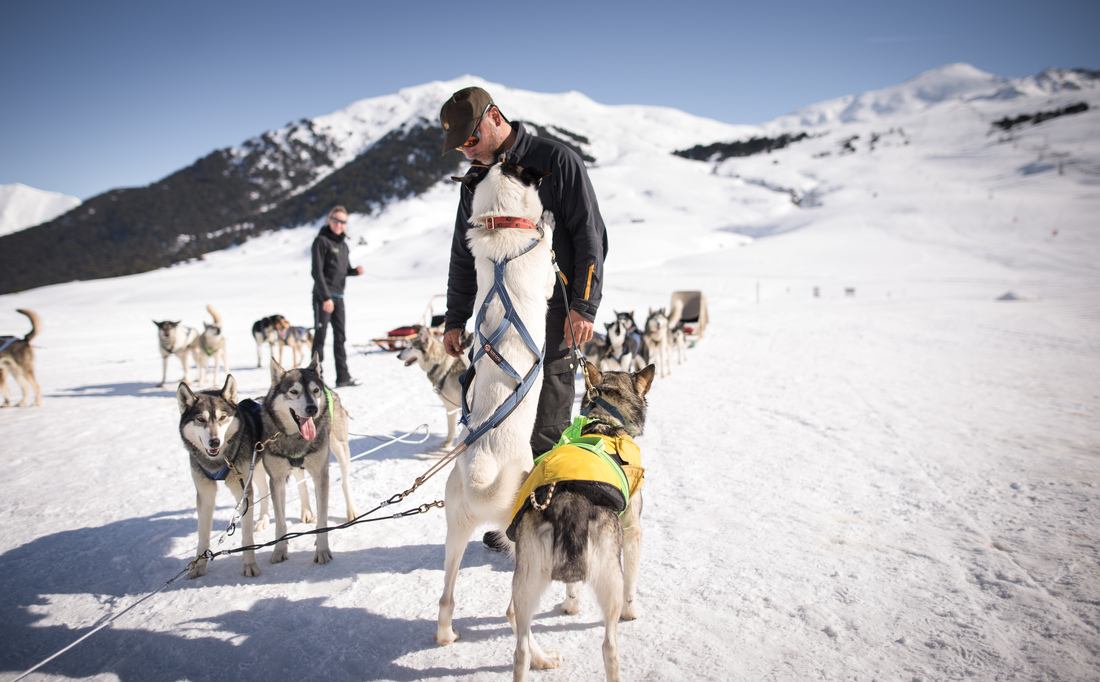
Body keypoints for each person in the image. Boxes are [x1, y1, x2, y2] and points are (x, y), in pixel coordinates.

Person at [440, 86, 608, 455]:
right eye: (460, 145)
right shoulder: (475, 180)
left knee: (545, 426)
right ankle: (508, 511)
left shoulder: (557, 160)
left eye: (472, 138)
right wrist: (455, 318)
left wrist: (584, 305)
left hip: (553, 314)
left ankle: (543, 505)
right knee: (494, 427)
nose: (467, 149)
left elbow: (589, 237)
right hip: (496, 323)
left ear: (496, 118)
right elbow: (463, 254)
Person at [310, 205, 363, 388]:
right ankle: (315, 379)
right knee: (320, 337)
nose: (339, 224)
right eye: (336, 220)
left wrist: (355, 271)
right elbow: (317, 273)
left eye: (343, 222)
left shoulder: (343, 245)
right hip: (323, 298)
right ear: (329, 220)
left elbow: (343, 270)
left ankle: (343, 377)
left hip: (339, 297)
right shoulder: (321, 242)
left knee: (340, 338)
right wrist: (326, 298)